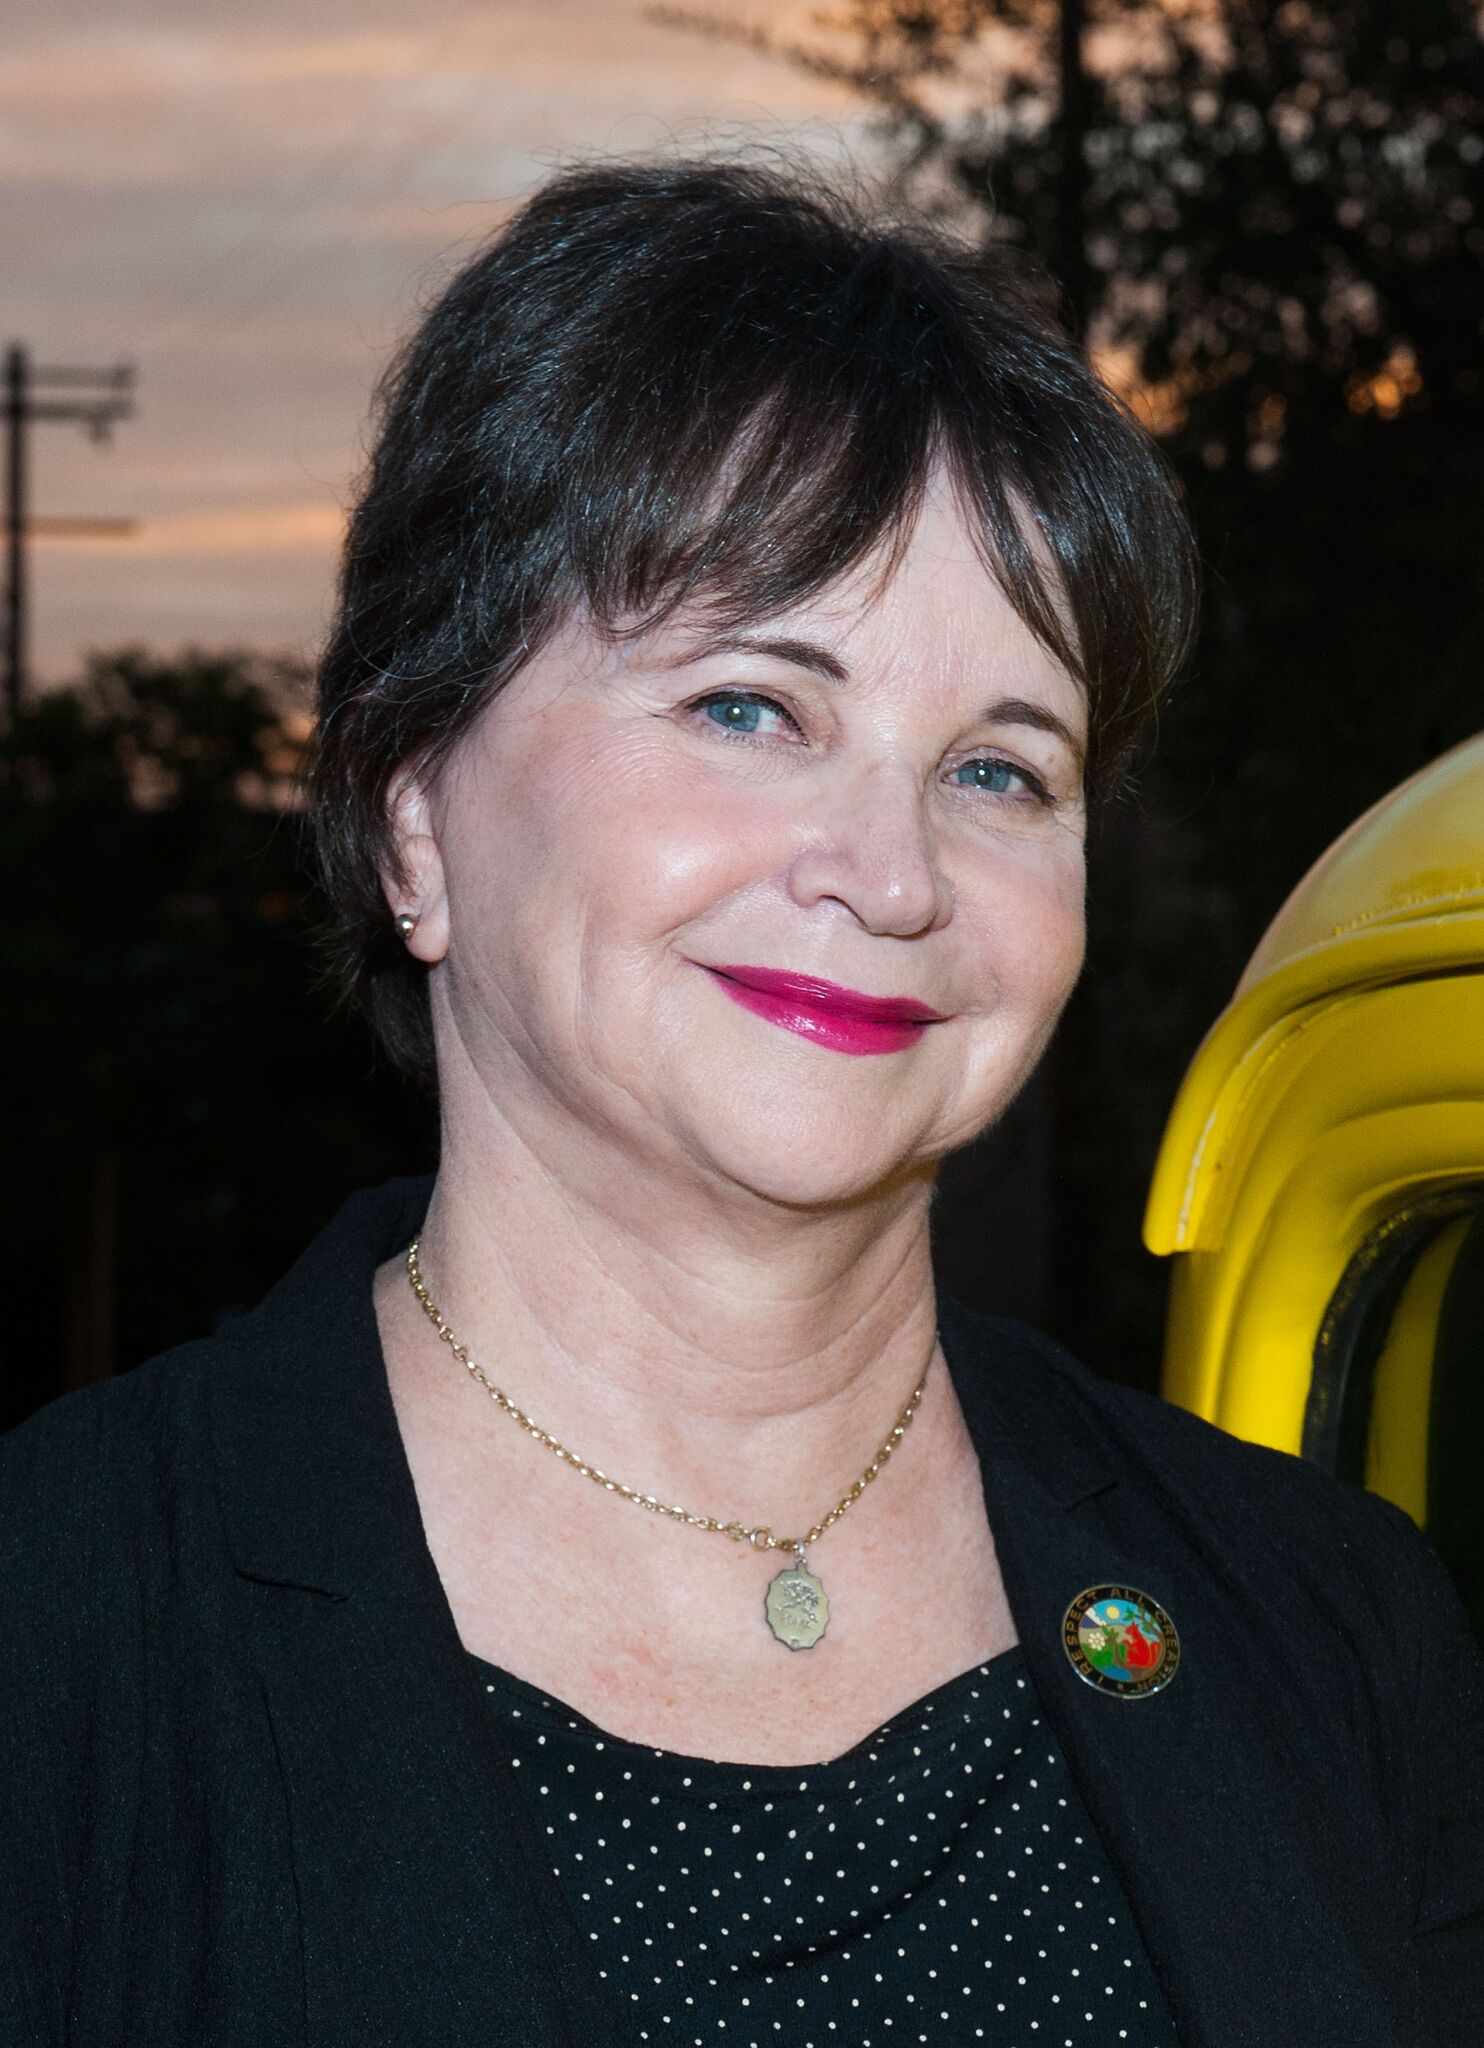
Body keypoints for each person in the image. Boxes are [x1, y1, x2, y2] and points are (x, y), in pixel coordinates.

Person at [3, 157, 1480, 2048]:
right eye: (749, 709)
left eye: (1002, 771)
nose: (891, 872)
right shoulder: (58, 1639)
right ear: (413, 812)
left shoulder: (1335, 1625)